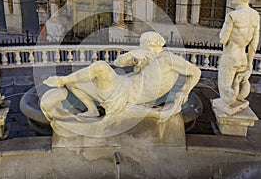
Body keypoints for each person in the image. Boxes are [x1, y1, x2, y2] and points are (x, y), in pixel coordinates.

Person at [41, 31, 201, 121]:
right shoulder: (147, 58)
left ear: (150, 44)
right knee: (74, 82)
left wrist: (185, 91)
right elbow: (118, 63)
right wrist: (134, 57)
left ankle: (61, 80)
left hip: (125, 93)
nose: (141, 48)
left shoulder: (169, 59)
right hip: (123, 84)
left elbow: (196, 72)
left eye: (142, 45)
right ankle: (92, 111)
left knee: (100, 67)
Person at [216, 0, 260, 114]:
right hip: (243, 57)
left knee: (225, 93)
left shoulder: (232, 16)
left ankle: (230, 104)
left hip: (230, 57)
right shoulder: (255, 15)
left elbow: (222, 39)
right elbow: (254, 42)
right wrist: (250, 62)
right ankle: (237, 99)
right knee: (236, 84)